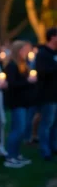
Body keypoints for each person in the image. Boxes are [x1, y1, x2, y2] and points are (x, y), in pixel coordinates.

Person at [4, 41, 36, 168]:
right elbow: (12, 84)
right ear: (18, 51)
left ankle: (16, 154)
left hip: (23, 101)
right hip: (17, 102)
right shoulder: (12, 66)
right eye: (24, 50)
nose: (26, 52)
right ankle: (10, 157)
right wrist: (28, 81)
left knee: (19, 129)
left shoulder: (24, 64)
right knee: (18, 129)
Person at [35, 27, 57, 161]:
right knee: (47, 123)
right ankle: (45, 151)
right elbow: (42, 72)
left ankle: (54, 146)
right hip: (47, 95)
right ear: (52, 37)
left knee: (55, 124)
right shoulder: (43, 54)